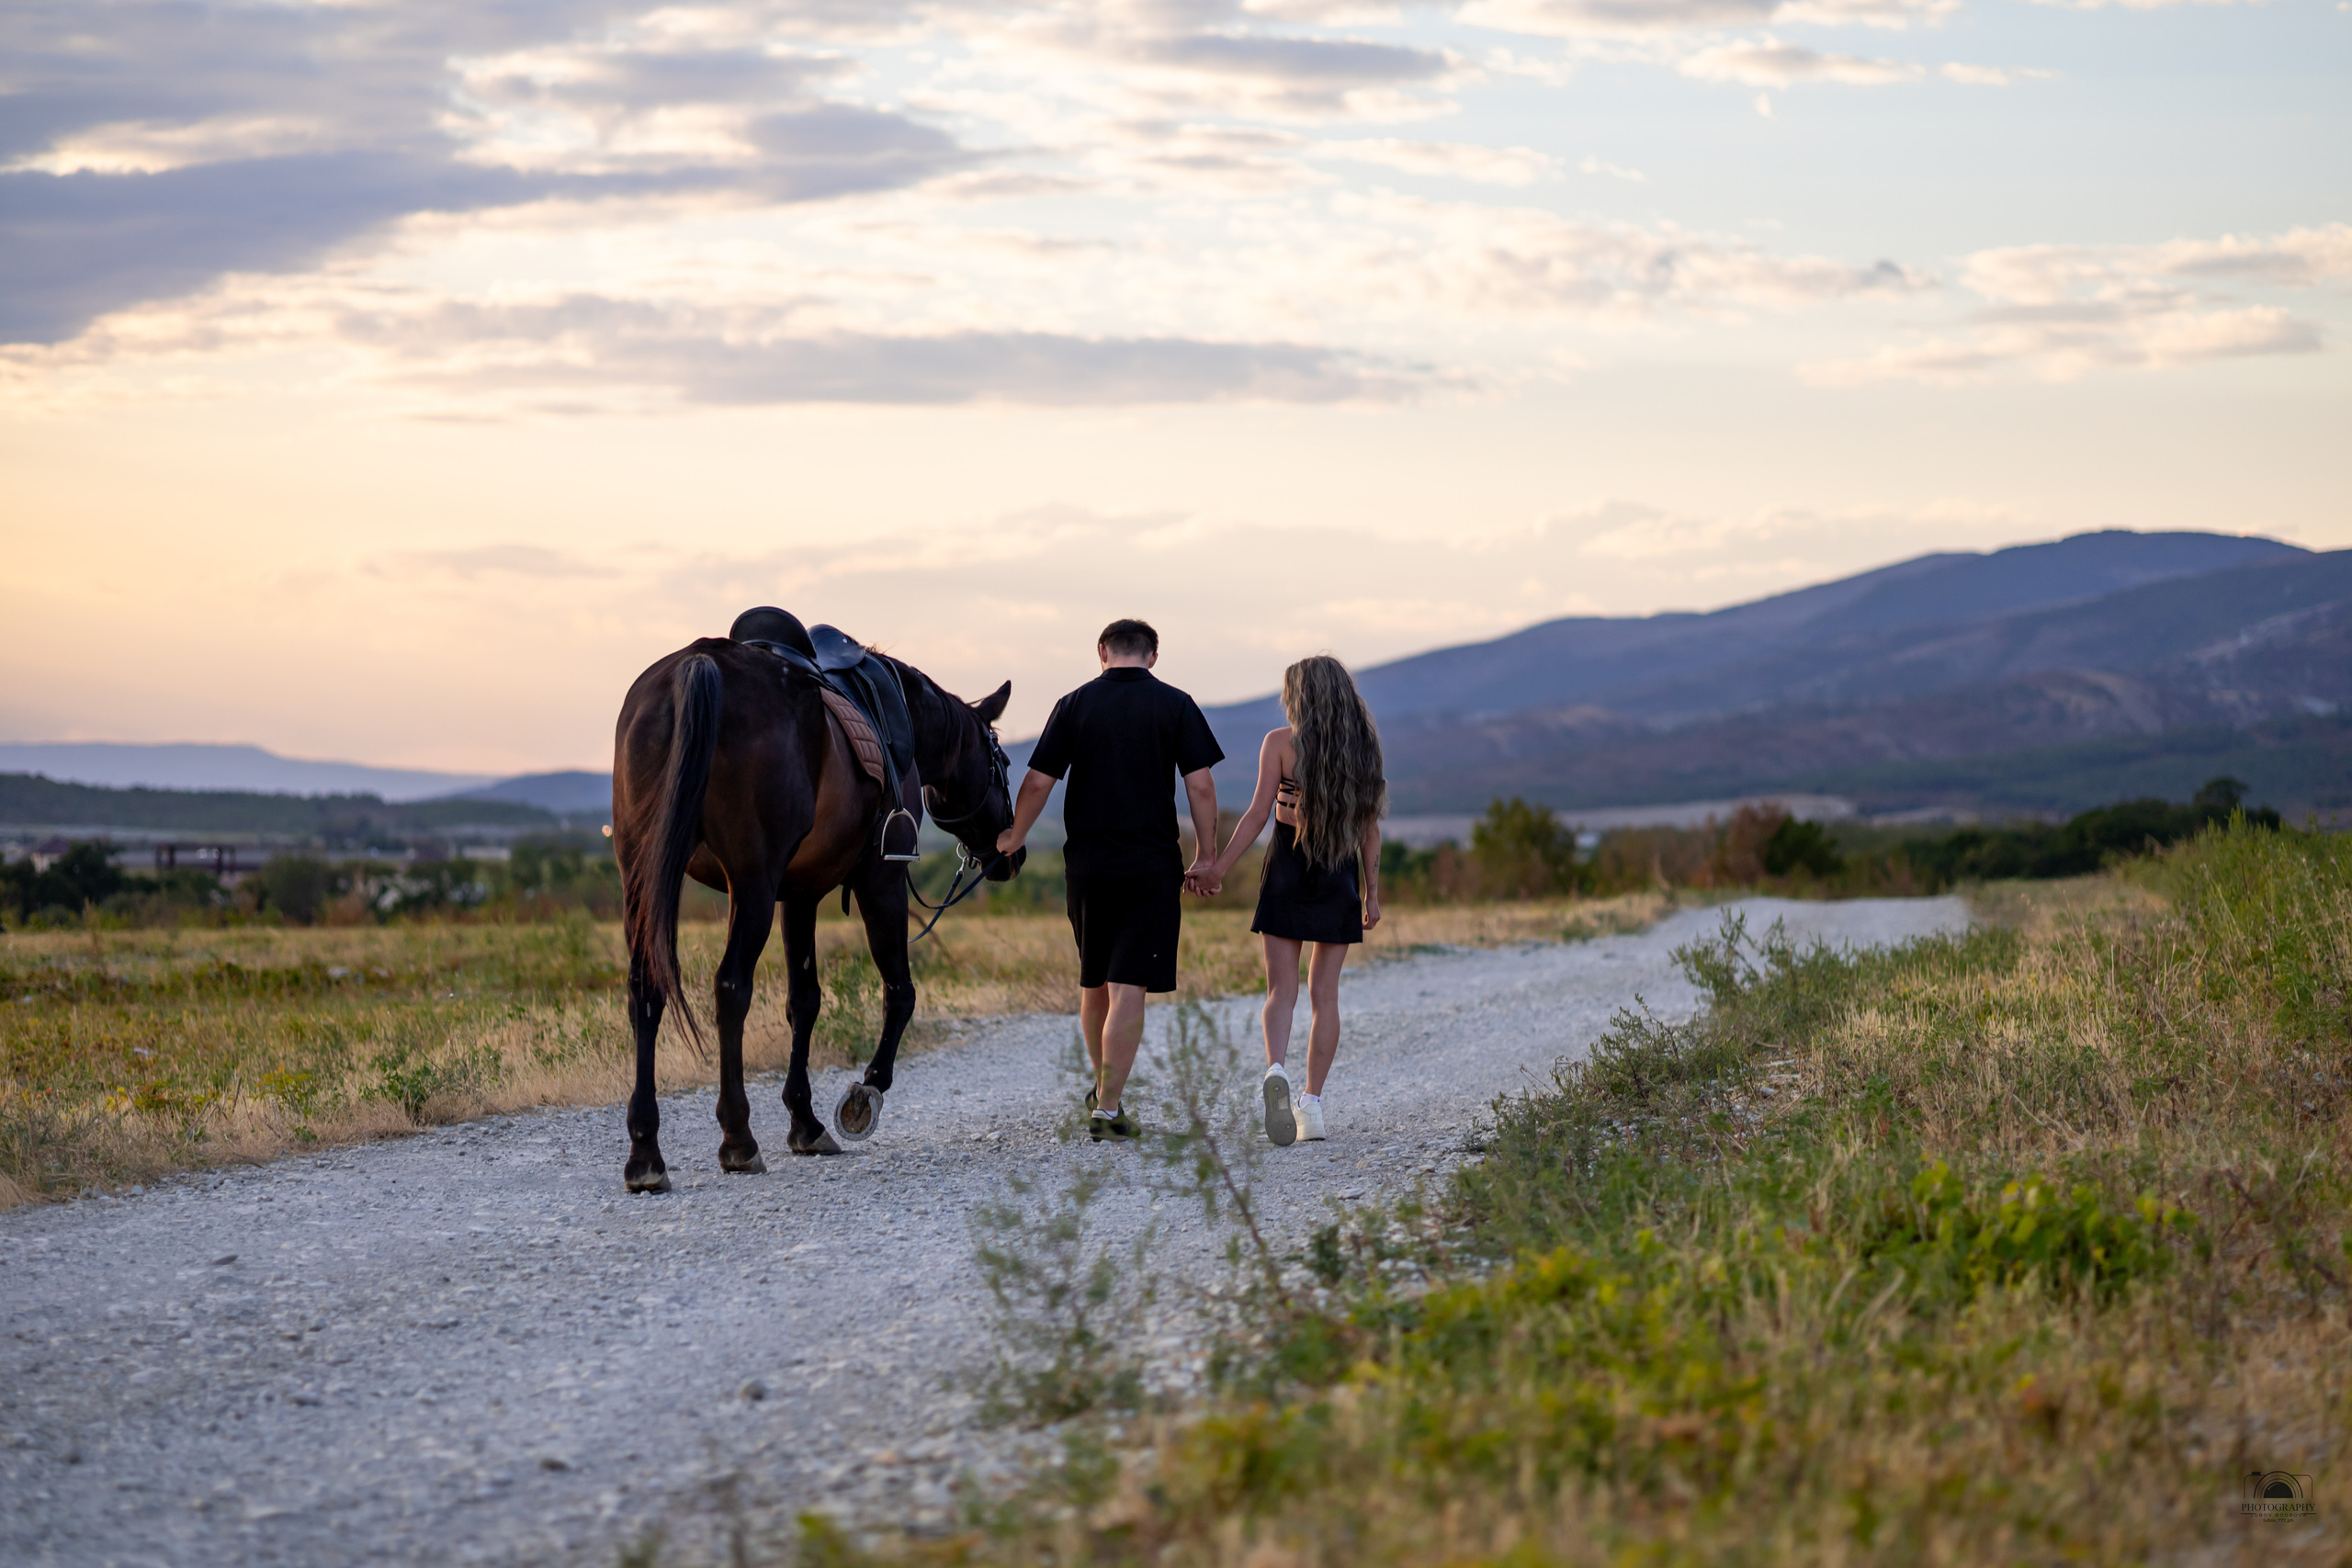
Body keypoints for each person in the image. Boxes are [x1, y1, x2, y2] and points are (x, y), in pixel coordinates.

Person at [997, 619, 1224, 1141]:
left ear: (1101, 651)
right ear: (1153, 655)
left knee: (1093, 978)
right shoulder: (1176, 704)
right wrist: (1207, 856)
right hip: (1150, 866)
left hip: (1088, 867)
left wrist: (1014, 836)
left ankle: (1103, 1095)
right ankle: (1108, 1107)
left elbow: (1036, 781)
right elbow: (1202, 786)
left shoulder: (1074, 703)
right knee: (1129, 985)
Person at [1197, 656, 1383, 1145]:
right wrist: (1373, 892)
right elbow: (1370, 828)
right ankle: (1313, 1104)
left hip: (1286, 871)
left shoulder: (1280, 743)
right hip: (1337, 876)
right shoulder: (1363, 748)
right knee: (1326, 997)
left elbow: (1259, 813)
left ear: (1298, 695)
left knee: (1282, 991)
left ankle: (1275, 1069)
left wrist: (1218, 866)